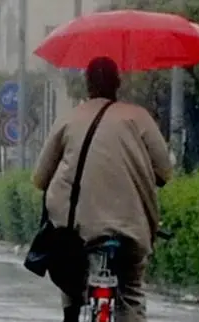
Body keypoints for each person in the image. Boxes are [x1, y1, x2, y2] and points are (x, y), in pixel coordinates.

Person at [32, 56, 173, 322]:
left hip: (77, 230)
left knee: (71, 279)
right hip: (129, 230)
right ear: (118, 83)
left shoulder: (69, 120)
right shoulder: (139, 117)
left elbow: (40, 178)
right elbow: (165, 171)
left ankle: (72, 313)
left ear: (87, 84)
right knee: (130, 290)